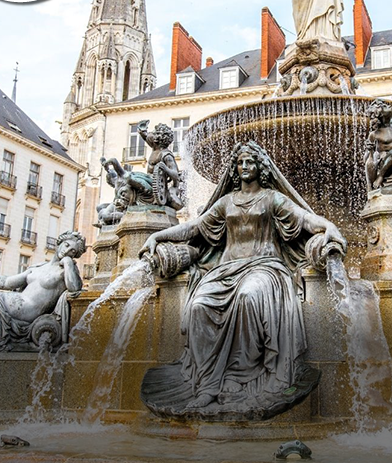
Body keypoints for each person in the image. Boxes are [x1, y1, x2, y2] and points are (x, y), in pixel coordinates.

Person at [140, 141, 346, 418]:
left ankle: (240, 376)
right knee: (199, 306)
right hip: (226, 270)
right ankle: (207, 384)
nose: (245, 166)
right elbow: (193, 227)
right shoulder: (226, 202)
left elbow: (305, 219)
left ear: (260, 167)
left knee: (249, 296)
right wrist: (157, 235)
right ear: (235, 169)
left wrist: (329, 226)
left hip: (265, 267)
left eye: (250, 162)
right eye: (240, 163)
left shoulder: (272, 198)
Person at [0, 231, 86, 351]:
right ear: (59, 243)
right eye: (66, 245)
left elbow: (75, 289)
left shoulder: (66, 273)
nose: (67, 251)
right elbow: (5, 282)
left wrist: (68, 263)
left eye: (72, 251)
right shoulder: (37, 267)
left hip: (11, 320)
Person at [137, 120, 183, 210]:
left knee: (130, 177)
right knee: (131, 179)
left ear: (158, 138)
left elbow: (176, 175)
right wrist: (142, 129)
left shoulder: (166, 155)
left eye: (154, 133)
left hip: (156, 184)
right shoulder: (154, 146)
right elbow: (145, 135)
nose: (151, 135)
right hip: (148, 179)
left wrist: (165, 168)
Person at [365, 99, 392, 190]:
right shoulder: (374, 134)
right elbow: (366, 157)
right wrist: (370, 150)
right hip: (382, 162)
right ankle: (380, 176)